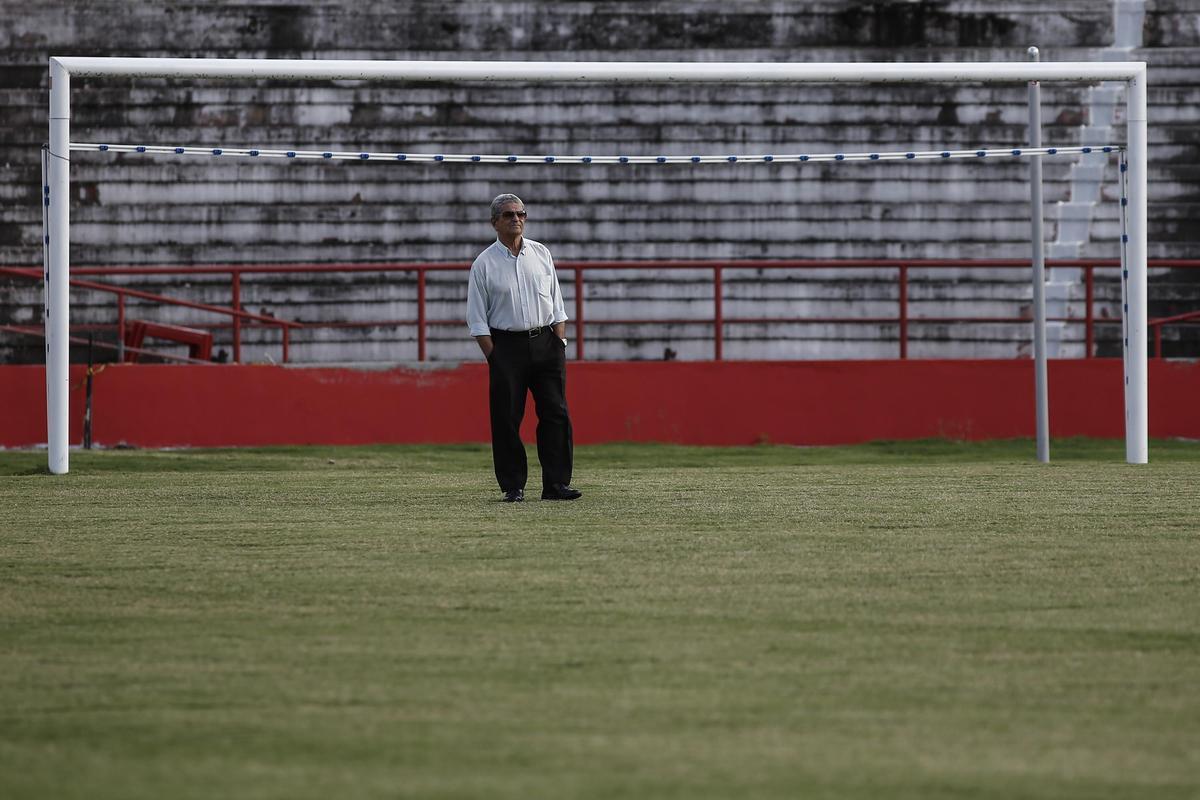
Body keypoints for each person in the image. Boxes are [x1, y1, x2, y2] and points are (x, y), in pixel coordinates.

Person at [467, 193, 582, 503]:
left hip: (546, 342)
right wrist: (496, 356)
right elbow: (477, 320)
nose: (516, 218)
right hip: (506, 346)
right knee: (506, 418)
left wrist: (559, 342)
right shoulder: (484, 264)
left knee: (556, 413)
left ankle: (556, 484)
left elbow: (557, 304)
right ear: (495, 222)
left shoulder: (541, 253)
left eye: (521, 213)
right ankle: (513, 485)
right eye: (508, 215)